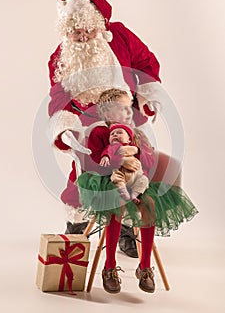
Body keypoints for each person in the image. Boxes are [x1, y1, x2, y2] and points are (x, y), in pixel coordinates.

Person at [47, 0, 163, 256]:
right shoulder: (59, 58)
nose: (84, 36)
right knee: (85, 174)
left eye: (88, 29)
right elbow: (57, 99)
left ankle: (126, 230)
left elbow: (145, 62)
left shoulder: (120, 36)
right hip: (88, 127)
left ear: (99, 24)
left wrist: (149, 94)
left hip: (127, 118)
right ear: (67, 32)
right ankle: (76, 227)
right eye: (76, 32)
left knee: (135, 172)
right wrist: (64, 129)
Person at [77, 88, 199, 294]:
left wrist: (138, 152)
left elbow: (150, 162)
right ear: (107, 113)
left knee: (149, 204)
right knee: (117, 203)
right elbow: (94, 163)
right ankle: (109, 266)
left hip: (137, 181)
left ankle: (144, 267)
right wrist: (119, 159)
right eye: (123, 108)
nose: (129, 112)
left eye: (130, 108)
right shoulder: (99, 133)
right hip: (107, 182)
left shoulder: (137, 134)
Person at [99, 123, 150, 204]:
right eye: (112, 134)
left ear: (129, 140)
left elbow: (146, 162)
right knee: (116, 178)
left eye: (119, 133)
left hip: (136, 175)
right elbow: (108, 151)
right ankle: (124, 191)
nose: (115, 134)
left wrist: (139, 151)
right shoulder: (113, 146)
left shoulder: (134, 147)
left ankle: (135, 194)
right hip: (121, 173)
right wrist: (106, 156)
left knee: (144, 180)